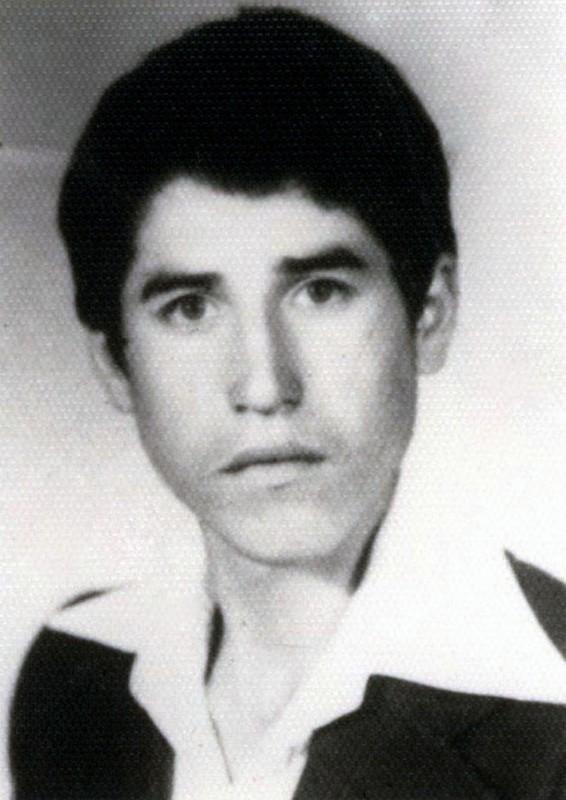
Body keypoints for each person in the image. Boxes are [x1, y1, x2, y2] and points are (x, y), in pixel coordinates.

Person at [8, 7, 566, 800]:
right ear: (115, 365)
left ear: (430, 314)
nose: (266, 385)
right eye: (190, 309)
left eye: (321, 291)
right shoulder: (75, 673)